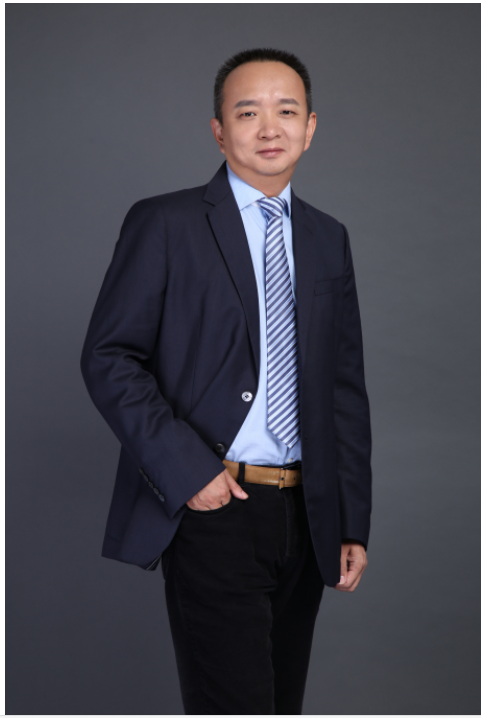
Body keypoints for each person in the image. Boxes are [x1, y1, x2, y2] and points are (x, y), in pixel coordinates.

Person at [81, 47, 372, 715]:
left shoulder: (328, 238)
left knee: (280, 703)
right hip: (215, 507)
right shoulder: (166, 223)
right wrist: (189, 472)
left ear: (309, 128)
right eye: (247, 112)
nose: (269, 128)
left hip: (306, 515)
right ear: (218, 130)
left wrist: (349, 520)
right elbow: (108, 356)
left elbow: (343, 388)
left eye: (286, 111)